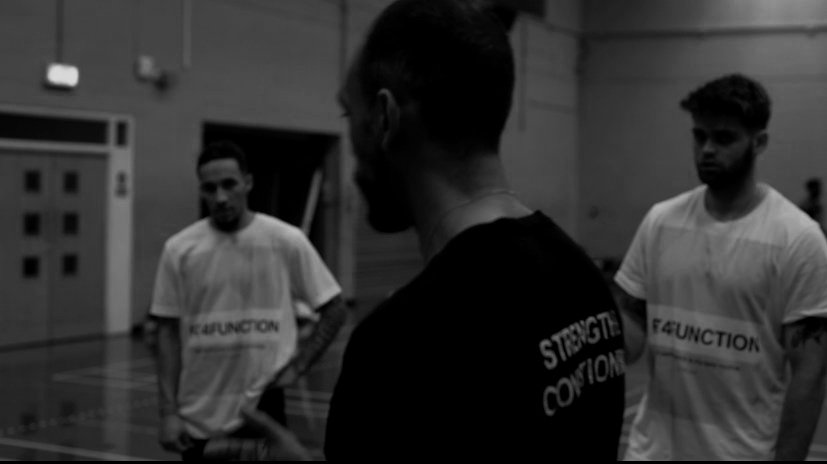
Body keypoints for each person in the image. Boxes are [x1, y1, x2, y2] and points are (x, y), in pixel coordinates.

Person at [230, 0, 626, 460]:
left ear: (384, 118)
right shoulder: (583, 279)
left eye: (348, 116)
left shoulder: (402, 343)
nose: (351, 137)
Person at [615, 74, 827, 460]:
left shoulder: (798, 239)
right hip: (651, 452)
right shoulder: (660, 222)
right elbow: (630, 339)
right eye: (699, 136)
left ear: (759, 142)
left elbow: (809, 374)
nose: (706, 150)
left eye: (724, 138)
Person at [150, 140, 346, 460]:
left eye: (229, 185)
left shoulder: (286, 240)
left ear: (248, 183)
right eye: (210, 189)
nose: (221, 197)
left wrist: (298, 367)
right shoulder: (179, 250)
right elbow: (167, 333)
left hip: (262, 409)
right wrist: (168, 413)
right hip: (197, 416)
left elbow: (334, 308)